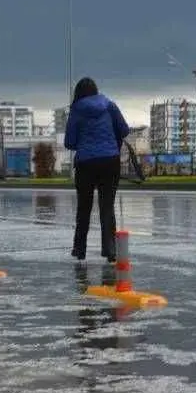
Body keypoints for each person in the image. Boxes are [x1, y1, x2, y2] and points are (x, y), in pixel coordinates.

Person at [64, 77, 129, 263]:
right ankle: (110, 250)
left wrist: (84, 143)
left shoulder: (76, 110)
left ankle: (79, 249)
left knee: (84, 206)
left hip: (85, 163)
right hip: (110, 161)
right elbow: (124, 130)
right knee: (107, 206)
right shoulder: (109, 105)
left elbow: (69, 142)